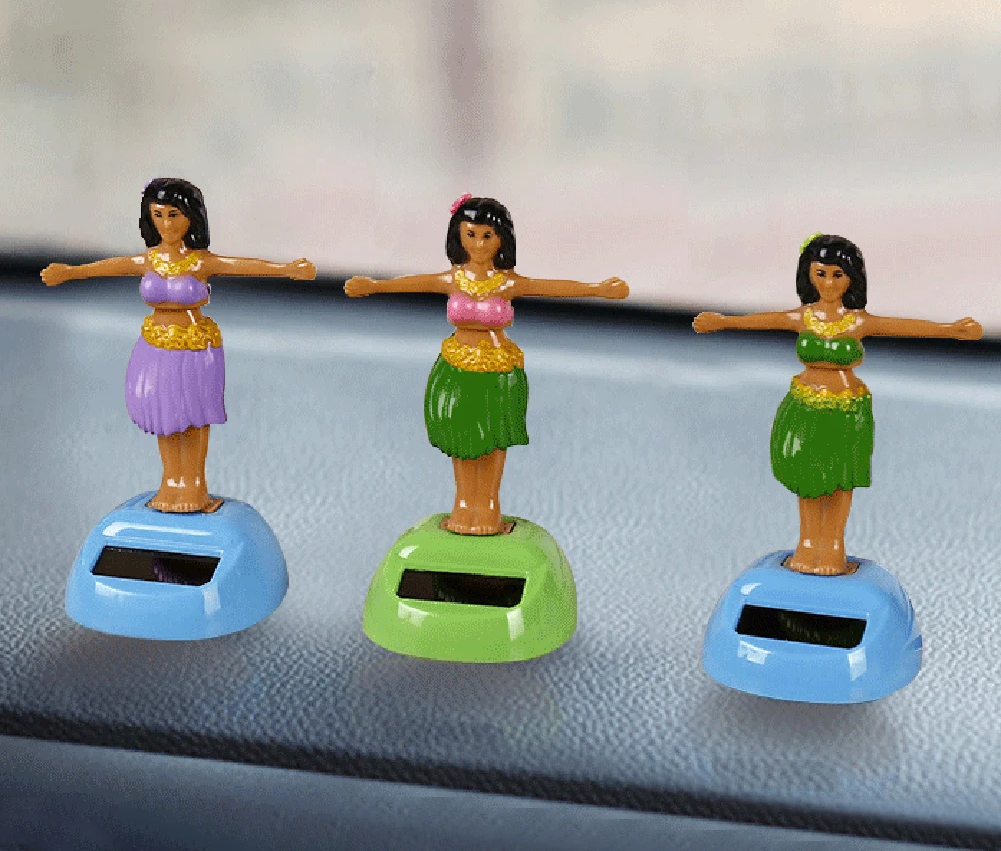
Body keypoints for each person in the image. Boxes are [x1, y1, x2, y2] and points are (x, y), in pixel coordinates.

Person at [693, 233, 982, 575]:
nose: (829, 283)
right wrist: (723, 321)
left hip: (844, 411)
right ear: (808, 275)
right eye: (821, 274)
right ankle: (808, 543)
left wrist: (950, 330)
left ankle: (832, 546)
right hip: (806, 407)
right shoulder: (803, 317)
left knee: (840, 480)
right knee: (808, 479)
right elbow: (764, 319)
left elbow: (899, 326)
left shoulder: (858, 321)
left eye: (837, 275)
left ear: (851, 278)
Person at [345, 193, 629, 535]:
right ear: (459, 236)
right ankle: (465, 503)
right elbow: (412, 282)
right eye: (471, 234)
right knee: (462, 440)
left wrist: (598, 289)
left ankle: (489, 504)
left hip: (497, 372)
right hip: (458, 369)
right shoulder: (453, 279)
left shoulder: (507, 282)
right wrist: (374, 285)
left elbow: (549, 287)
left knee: (493, 441)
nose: (479, 244)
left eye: (487, 236)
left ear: (501, 239)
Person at [41, 177, 316, 513]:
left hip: (194, 349)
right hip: (156, 348)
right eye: (158, 215)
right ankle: (171, 482)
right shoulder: (149, 260)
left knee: (194, 418)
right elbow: (112, 266)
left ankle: (194, 485)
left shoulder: (200, 262)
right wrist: (70, 272)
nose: (166, 224)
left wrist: (286, 269)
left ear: (190, 217)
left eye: (174, 215)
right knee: (165, 417)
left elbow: (241, 265)